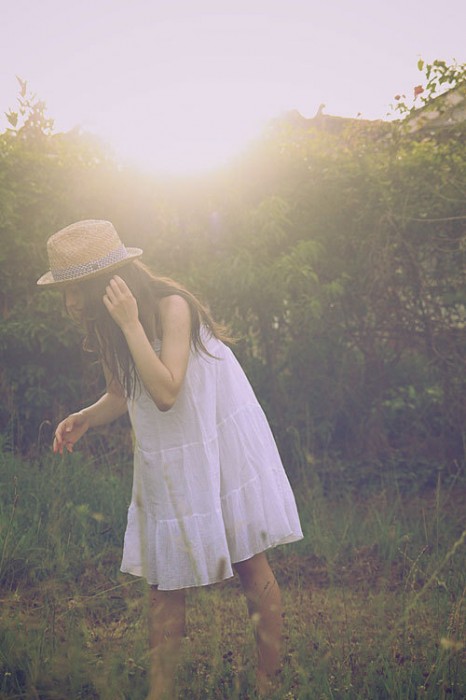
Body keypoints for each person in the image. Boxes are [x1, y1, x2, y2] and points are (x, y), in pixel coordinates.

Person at [38, 219, 303, 699]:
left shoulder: (171, 306)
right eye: (65, 292)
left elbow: (165, 392)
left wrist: (130, 324)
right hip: (170, 449)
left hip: (217, 438)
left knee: (249, 560)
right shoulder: (109, 325)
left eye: (76, 289)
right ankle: (160, 693)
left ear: (107, 281)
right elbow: (122, 393)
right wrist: (86, 417)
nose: (70, 302)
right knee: (163, 580)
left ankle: (269, 684)